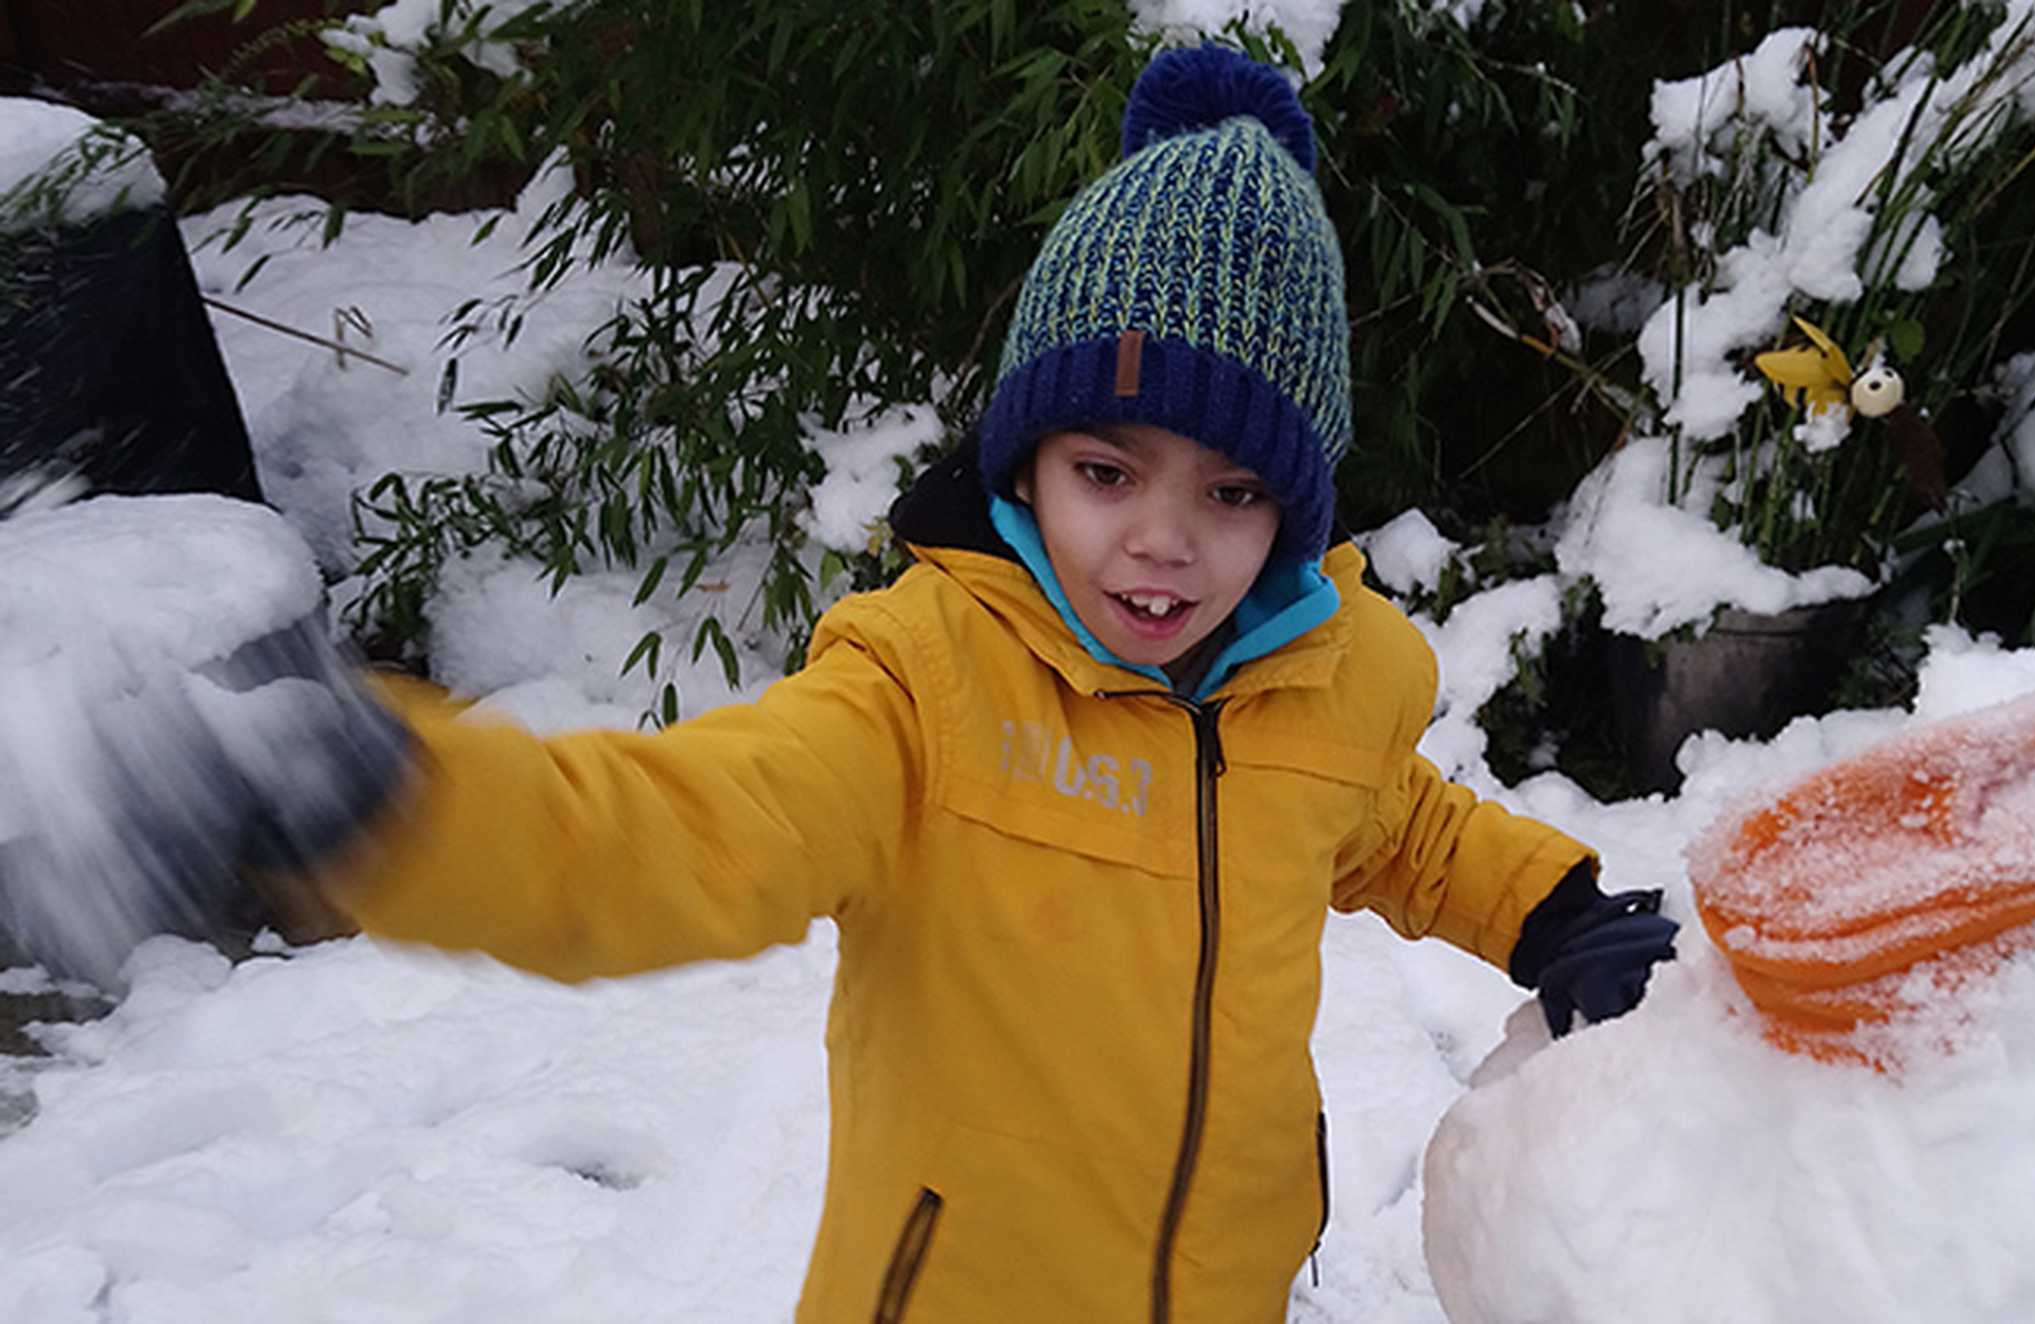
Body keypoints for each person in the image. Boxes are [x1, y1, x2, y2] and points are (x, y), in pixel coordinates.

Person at [14, 45, 1679, 1324]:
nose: (1165, 546)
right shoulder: (923, 687)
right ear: (1028, 461)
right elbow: (674, 833)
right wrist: (381, 806)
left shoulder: (1321, 691)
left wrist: (1561, 915)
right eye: (1112, 469)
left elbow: (1401, 828)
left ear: (1295, 514)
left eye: (1234, 496)